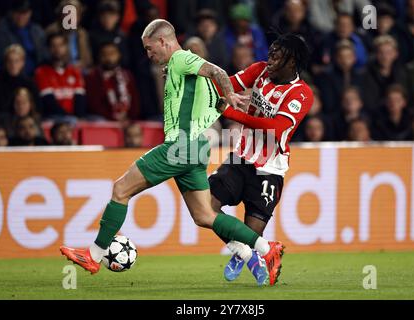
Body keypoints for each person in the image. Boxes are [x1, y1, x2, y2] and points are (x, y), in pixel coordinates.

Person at [60, 19, 284, 287]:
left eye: (149, 48)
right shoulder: (183, 72)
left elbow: (218, 72)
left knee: (121, 189)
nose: (148, 54)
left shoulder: (180, 59)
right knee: (204, 216)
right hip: (196, 148)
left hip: (181, 146)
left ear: (163, 41)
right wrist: (223, 98)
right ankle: (265, 249)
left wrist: (229, 95)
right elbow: (209, 90)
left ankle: (94, 255)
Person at [210, 33, 313, 283]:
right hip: (241, 158)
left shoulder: (301, 94)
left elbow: (275, 128)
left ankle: (246, 252)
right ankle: (248, 253)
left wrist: (232, 113)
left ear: (291, 62)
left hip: (270, 170)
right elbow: (226, 86)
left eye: (277, 54)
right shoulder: (259, 70)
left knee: (250, 231)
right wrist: (188, 81)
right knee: (206, 206)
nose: (270, 57)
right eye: (271, 51)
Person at [34, 32, 86, 120]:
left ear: (66, 47)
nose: (57, 49)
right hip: (53, 117)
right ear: (48, 49)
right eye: (53, 46)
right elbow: (49, 102)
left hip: (73, 118)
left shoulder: (74, 71)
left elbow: (80, 100)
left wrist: (78, 117)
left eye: (60, 45)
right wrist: (69, 118)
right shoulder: (41, 72)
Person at [85, 42, 140, 122]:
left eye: (112, 53)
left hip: (128, 120)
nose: (108, 58)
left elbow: (135, 101)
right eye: (104, 54)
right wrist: (112, 118)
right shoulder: (92, 77)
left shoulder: (127, 75)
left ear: (119, 55)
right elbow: (94, 104)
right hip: (105, 120)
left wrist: (130, 117)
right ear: (99, 57)